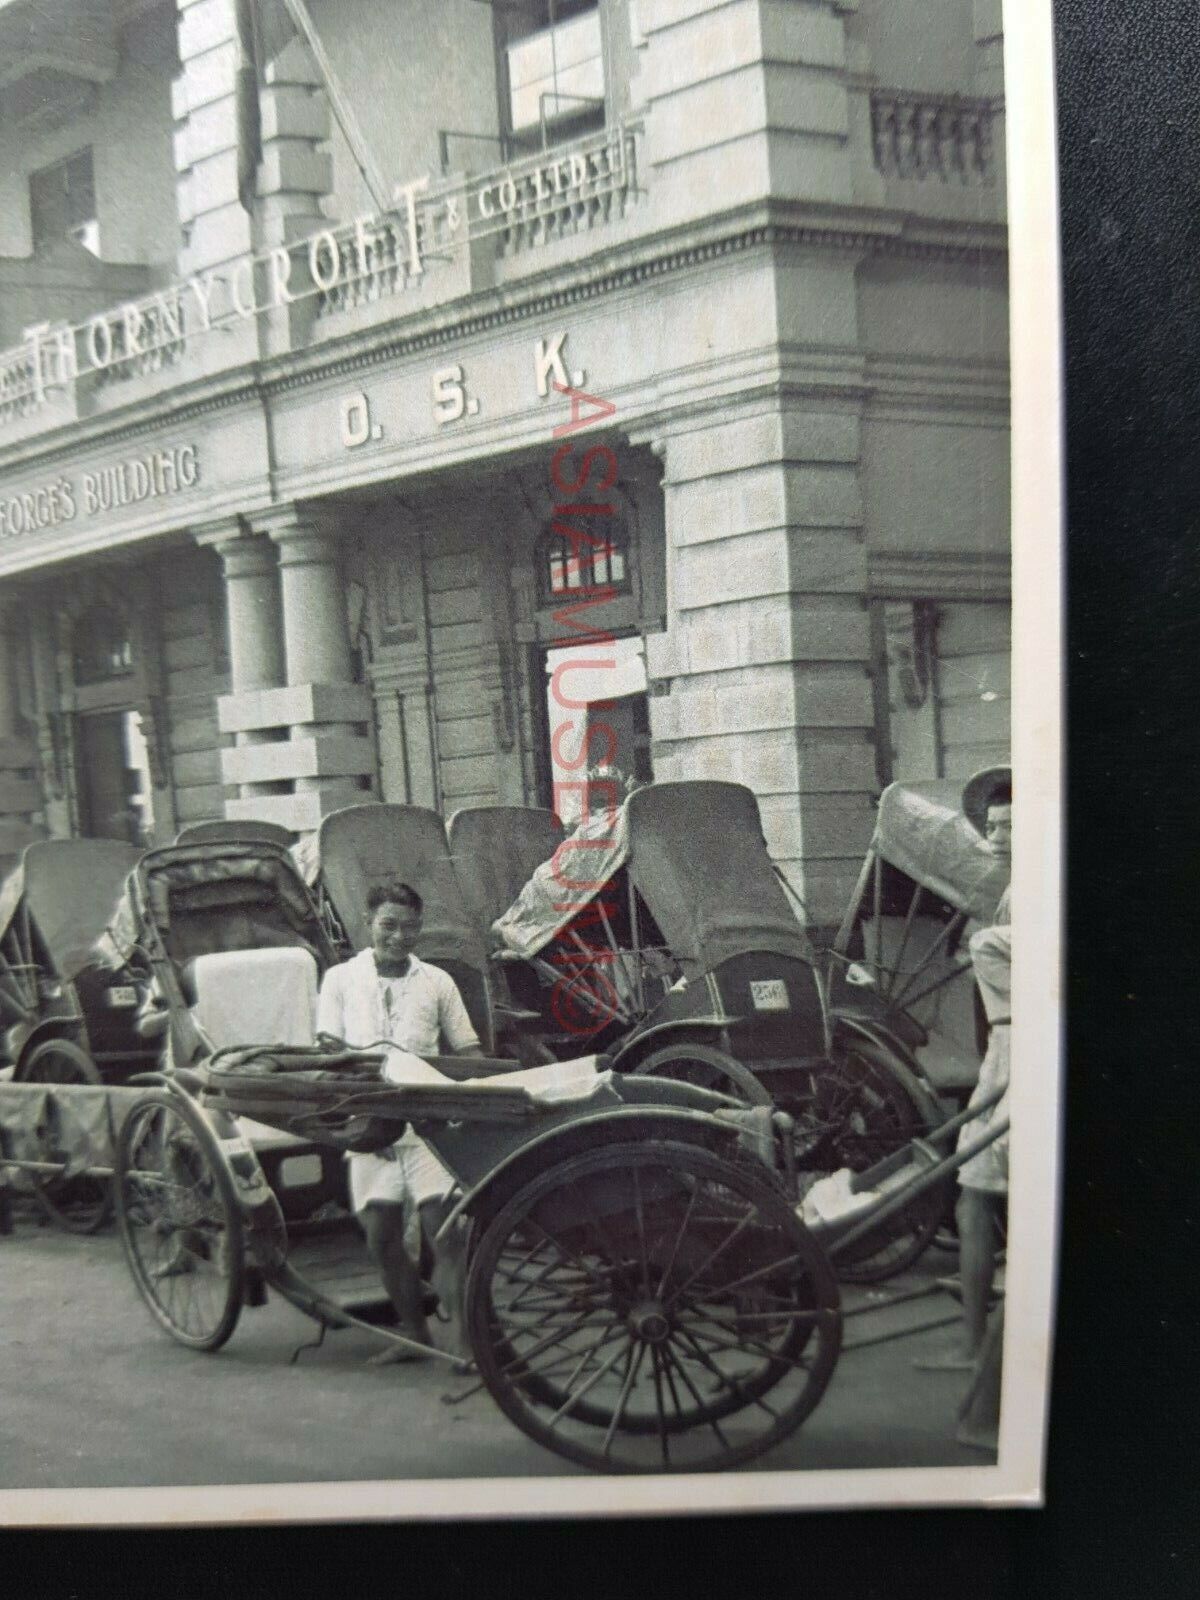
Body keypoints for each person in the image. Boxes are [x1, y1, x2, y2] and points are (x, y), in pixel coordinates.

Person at [316, 881, 481, 1364]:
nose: (399, 936)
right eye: (389, 925)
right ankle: (414, 1336)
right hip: (369, 1125)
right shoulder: (341, 980)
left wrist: (463, 1102)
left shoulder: (436, 981)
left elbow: (468, 1051)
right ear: (368, 923)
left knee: (445, 1234)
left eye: (410, 927)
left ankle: (468, 1345)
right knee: (381, 1237)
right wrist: (367, 1115)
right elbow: (329, 1053)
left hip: (428, 1128)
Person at [917, 766, 1011, 1408]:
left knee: (976, 1196)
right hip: (1006, 1054)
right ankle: (978, 1341)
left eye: (1013, 824)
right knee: (975, 1196)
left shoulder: (1028, 900)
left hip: (1019, 1057)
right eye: (994, 825)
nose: (999, 835)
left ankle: (978, 1346)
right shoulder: (1013, 895)